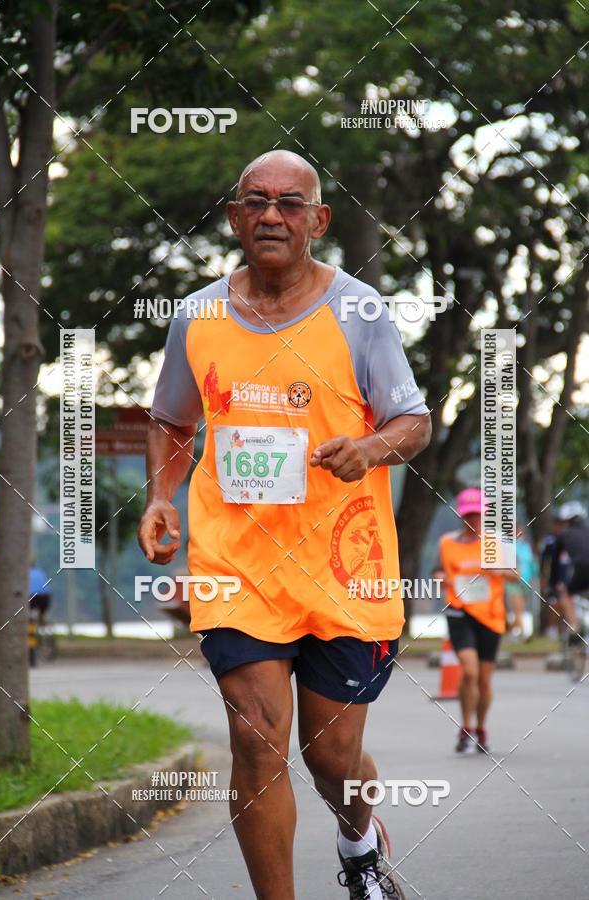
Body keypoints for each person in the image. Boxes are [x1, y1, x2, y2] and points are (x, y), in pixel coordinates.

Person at [138, 149, 431, 900]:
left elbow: (414, 423)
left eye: (290, 203)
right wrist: (160, 497)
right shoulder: (197, 315)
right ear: (235, 217)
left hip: (344, 567)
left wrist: (367, 447)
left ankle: (360, 841)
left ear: (318, 221)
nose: (272, 214)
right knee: (255, 733)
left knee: (331, 755)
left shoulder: (359, 309)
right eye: (256, 201)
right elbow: (171, 421)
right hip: (238, 564)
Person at [433, 488, 518, 755]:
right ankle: (466, 726)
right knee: (468, 671)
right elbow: (436, 571)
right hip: (460, 612)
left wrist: (498, 569)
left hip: (490, 616)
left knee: (483, 679)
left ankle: (480, 728)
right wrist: (441, 580)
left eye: (478, 515)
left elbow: (516, 575)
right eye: (468, 515)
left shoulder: (496, 542)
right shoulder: (447, 542)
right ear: (461, 515)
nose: (473, 520)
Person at [550, 501, 589, 637]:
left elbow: (555, 561)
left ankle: (575, 628)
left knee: (566, 593)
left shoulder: (564, 535)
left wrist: (553, 583)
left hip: (583, 569)